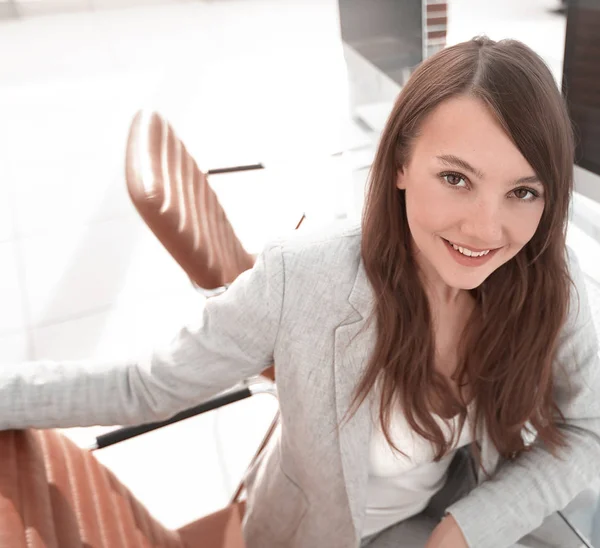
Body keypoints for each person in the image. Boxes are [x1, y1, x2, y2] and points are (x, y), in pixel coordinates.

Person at [1, 36, 599, 548]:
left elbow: (585, 430)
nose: (486, 231)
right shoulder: (305, 279)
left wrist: (464, 529)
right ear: (397, 165)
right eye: (455, 178)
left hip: (435, 519)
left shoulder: (548, 278)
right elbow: (144, 386)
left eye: (523, 192)